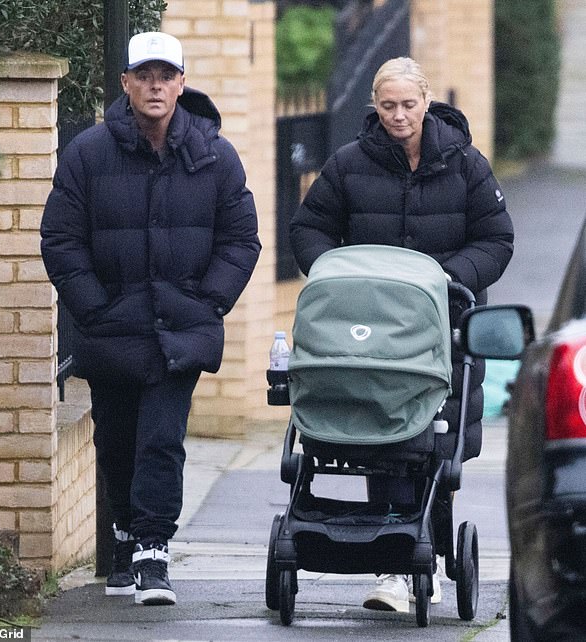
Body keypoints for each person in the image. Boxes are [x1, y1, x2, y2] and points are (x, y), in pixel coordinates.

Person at [41, 31, 261, 606]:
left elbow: (241, 239)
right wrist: (95, 307)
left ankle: (153, 553)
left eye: (166, 76)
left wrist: (206, 302)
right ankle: (123, 536)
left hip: (180, 332)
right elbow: (61, 239)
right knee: (116, 442)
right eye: (144, 75)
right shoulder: (88, 153)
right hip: (113, 328)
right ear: (126, 83)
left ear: (182, 83)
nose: (155, 85)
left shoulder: (216, 154)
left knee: (162, 439)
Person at [290, 57, 513, 613]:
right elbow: (309, 228)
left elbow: (496, 239)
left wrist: (449, 279)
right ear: (375, 105)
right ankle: (395, 562)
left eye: (408, 105)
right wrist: (339, 275)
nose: (398, 116)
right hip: (370, 332)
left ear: (426, 101)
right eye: (387, 106)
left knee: (434, 447)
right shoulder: (349, 164)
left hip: (446, 329)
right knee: (379, 435)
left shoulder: (466, 165)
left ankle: (427, 551)